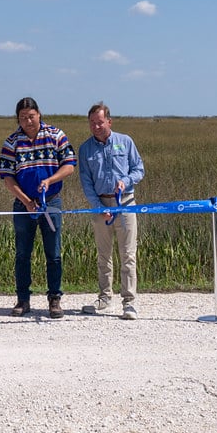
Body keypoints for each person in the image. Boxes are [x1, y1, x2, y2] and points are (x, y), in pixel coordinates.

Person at [0, 97, 77, 319]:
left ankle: (54, 299)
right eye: (23, 117)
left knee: (54, 253)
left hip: (51, 202)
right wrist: (26, 201)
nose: (28, 121)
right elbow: (7, 177)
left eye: (31, 116)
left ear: (39, 114)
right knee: (23, 254)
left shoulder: (55, 135)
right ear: (18, 119)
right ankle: (23, 299)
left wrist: (50, 180)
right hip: (23, 205)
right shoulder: (12, 142)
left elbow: (69, 165)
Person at [78, 102, 146, 320]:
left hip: (125, 203)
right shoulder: (85, 149)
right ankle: (104, 297)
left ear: (109, 121)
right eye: (92, 123)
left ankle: (129, 302)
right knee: (103, 255)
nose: (96, 127)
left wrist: (126, 181)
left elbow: (139, 169)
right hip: (100, 206)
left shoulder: (125, 142)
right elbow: (86, 182)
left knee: (128, 254)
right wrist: (98, 207)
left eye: (100, 122)